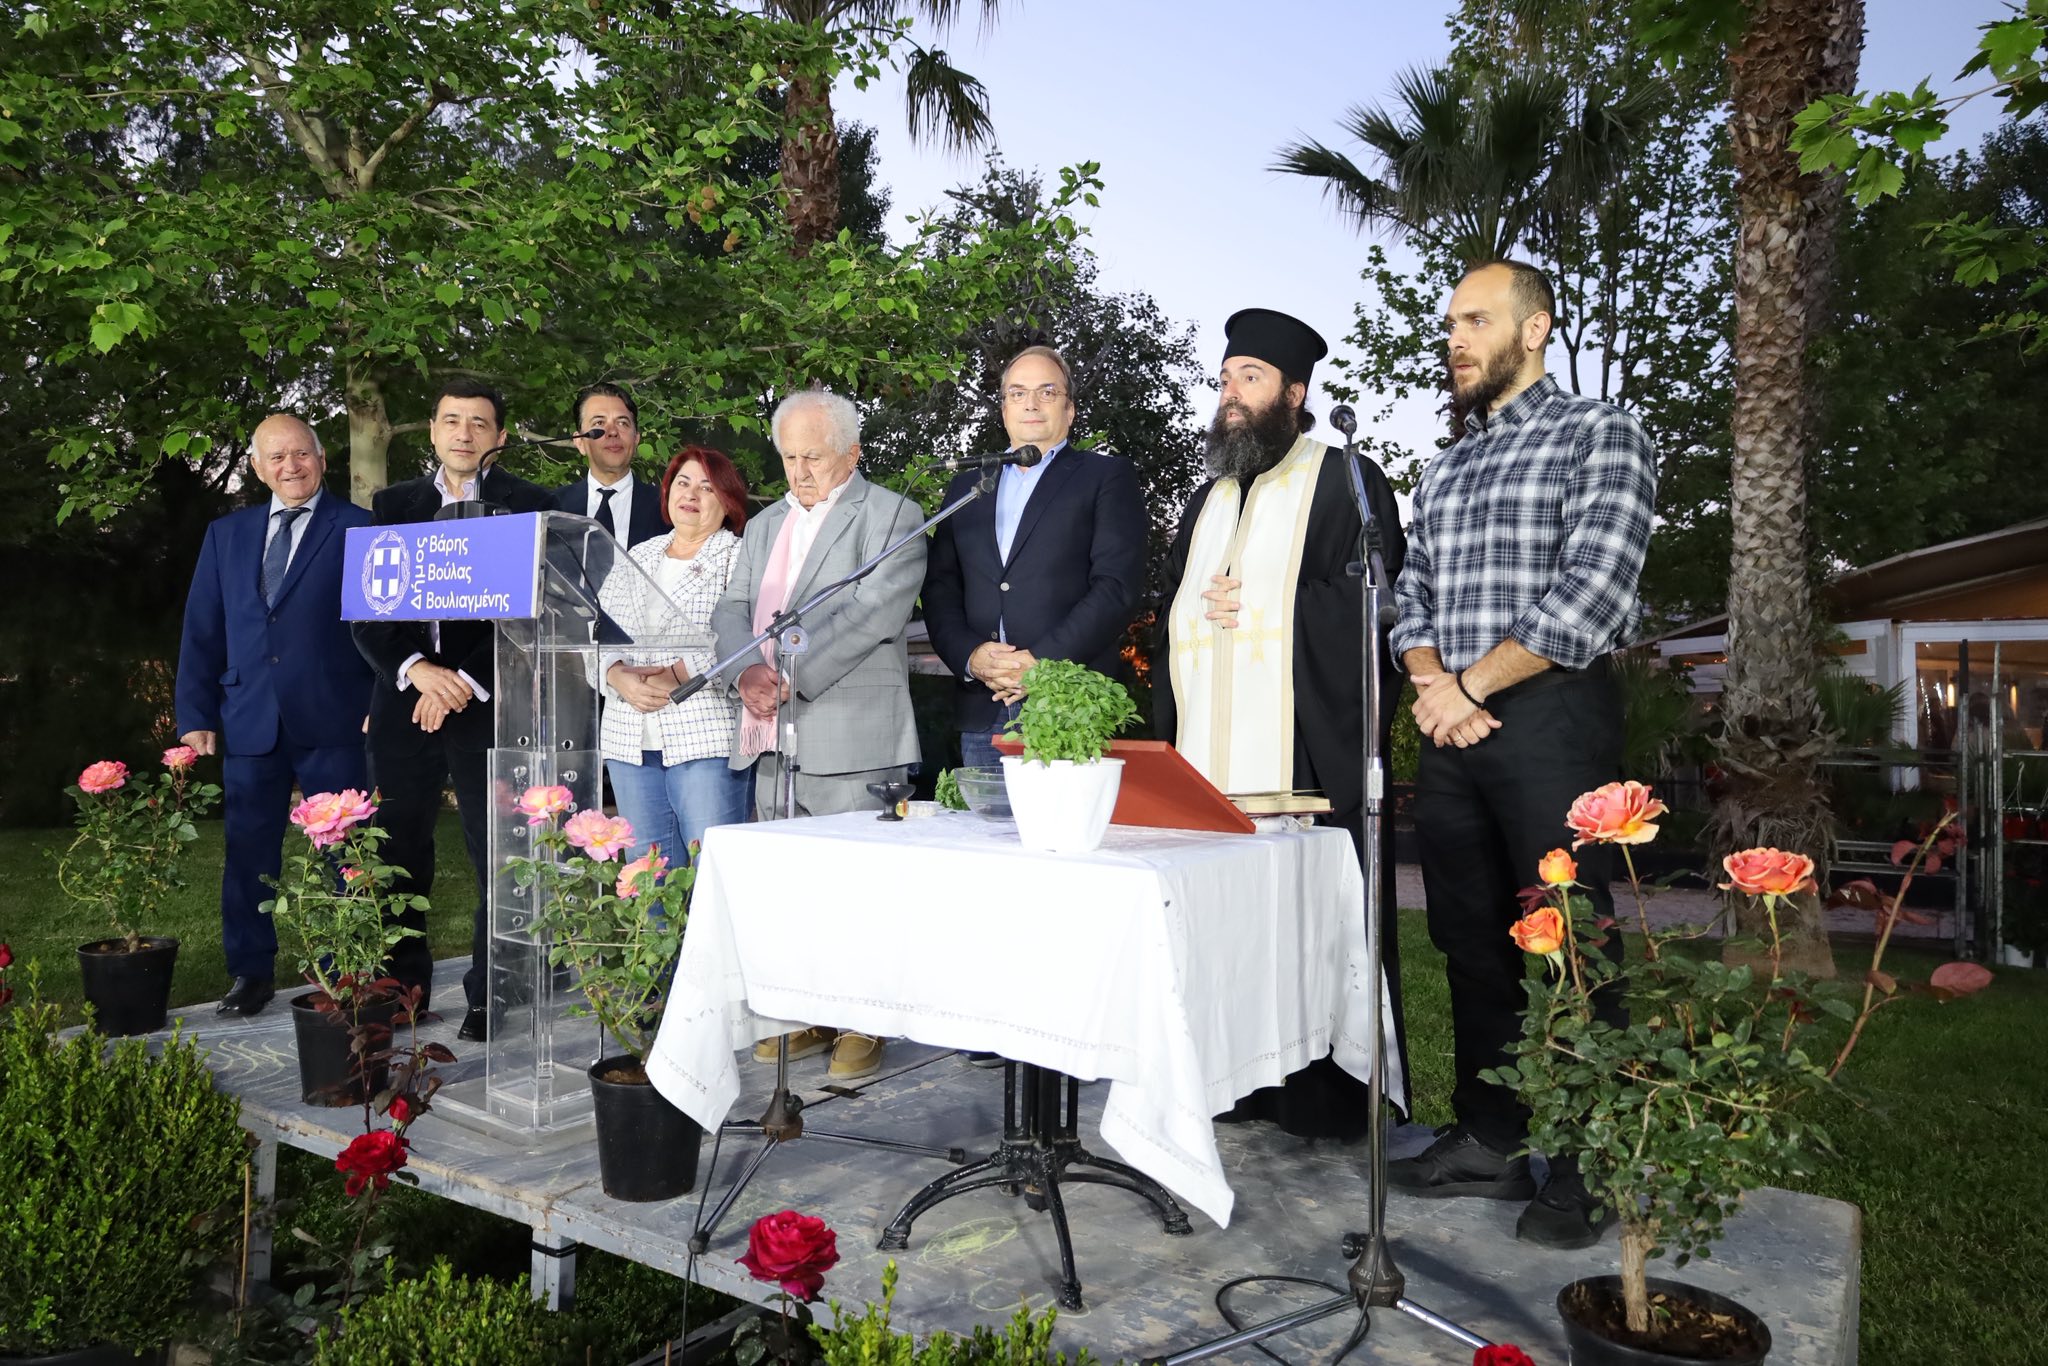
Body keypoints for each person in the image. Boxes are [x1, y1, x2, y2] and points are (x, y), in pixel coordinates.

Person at [1384, 261, 1657, 1250]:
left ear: (1534, 328)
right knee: (1468, 939)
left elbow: (1593, 592)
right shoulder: (1445, 468)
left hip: (1551, 718)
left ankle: (1593, 1167)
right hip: (1450, 728)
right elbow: (1409, 597)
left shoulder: (1599, 432)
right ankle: (1491, 1139)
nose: (1454, 338)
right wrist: (1433, 685)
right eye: (1450, 323)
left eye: (1476, 320)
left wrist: (1467, 687)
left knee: (1574, 945)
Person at [1156, 307, 1412, 1139]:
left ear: (1295, 394)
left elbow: (1376, 604)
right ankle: (1228, 1082)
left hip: (1305, 765)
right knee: (1223, 929)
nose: (1231, 394)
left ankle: (1324, 1100)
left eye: (1251, 378)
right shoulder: (1207, 497)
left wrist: (1266, 601)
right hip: (1208, 770)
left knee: (1303, 934)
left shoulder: (1345, 479)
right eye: (1226, 379)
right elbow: (1170, 615)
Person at [709, 389, 925, 1081]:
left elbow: (873, 613)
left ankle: (867, 1020)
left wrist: (791, 677)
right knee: (793, 889)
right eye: (789, 458)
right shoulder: (765, 523)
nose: (799, 472)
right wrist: (746, 673)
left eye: (814, 458)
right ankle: (808, 1011)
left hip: (853, 733)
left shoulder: (892, 514)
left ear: (851, 454)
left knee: (860, 888)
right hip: (773, 735)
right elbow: (732, 607)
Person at [350, 379, 552, 1042]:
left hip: (485, 703)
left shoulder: (530, 505)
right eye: (452, 421)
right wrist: (419, 672)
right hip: (405, 703)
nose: (464, 434)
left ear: (500, 437)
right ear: (434, 430)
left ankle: (490, 994)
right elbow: (368, 609)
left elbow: (533, 612)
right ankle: (401, 992)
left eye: (479, 423)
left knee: (495, 855)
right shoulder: (394, 504)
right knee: (398, 851)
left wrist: (460, 679)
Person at [175, 414, 376, 1017]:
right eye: (277, 457)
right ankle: (249, 973)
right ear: (258, 468)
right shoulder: (226, 535)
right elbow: (203, 628)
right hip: (249, 718)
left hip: (337, 717)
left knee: (347, 856)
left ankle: (349, 975)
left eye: (301, 454)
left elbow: (383, 625)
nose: (291, 466)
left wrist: (379, 702)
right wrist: (195, 712)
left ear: (322, 458)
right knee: (248, 854)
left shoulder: (362, 528)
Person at [922, 344, 1147, 769]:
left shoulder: (1105, 476)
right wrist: (971, 656)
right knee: (983, 816)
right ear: (1004, 408)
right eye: (1018, 393)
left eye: (1047, 392)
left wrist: (1039, 663)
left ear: (1070, 410)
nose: (1031, 403)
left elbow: (1116, 588)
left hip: (1068, 704)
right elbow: (940, 589)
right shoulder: (968, 488)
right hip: (984, 704)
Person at [597, 446, 754, 868]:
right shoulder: (638, 555)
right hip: (629, 737)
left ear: (728, 502)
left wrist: (679, 675)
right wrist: (615, 675)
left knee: (713, 871)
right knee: (647, 878)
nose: (691, 494)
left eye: (707, 487)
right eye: (683, 483)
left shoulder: (737, 557)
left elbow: (744, 635)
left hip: (704, 738)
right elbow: (597, 632)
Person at [550, 382, 665, 547]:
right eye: (599, 423)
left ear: (636, 439)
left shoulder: (666, 506)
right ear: (580, 442)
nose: (612, 432)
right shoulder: (552, 508)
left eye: (622, 423)